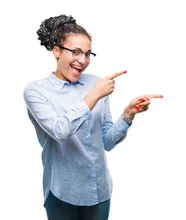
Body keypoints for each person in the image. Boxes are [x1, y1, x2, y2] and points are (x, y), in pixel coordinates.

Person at [24, 14, 163, 220]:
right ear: (56, 51)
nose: (83, 60)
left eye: (88, 54)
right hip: (62, 192)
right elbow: (60, 131)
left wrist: (127, 115)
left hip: (99, 190)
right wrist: (95, 95)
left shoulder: (95, 83)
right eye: (76, 52)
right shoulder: (37, 91)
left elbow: (105, 141)